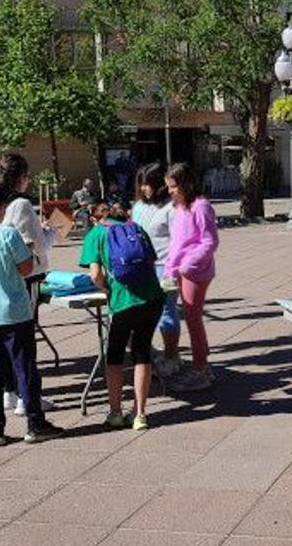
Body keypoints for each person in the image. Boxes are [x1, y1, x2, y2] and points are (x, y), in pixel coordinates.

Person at [0, 181, 63, 446]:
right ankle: (34, 423)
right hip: (14, 312)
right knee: (24, 368)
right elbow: (26, 269)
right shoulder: (7, 234)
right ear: (1, 207)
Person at [81, 202, 165, 430]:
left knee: (115, 355)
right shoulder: (135, 227)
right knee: (141, 351)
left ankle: (115, 412)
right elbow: (151, 260)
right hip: (152, 298)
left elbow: (96, 275)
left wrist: (106, 289)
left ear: (96, 218)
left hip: (122, 301)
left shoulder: (96, 233)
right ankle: (140, 414)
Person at [0, 154, 57, 415]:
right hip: (26, 276)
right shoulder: (20, 204)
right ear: (21, 178)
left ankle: (10, 391)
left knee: (5, 337)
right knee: (23, 338)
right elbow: (36, 245)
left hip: (3, 276)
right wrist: (51, 231)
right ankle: (26, 397)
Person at [163, 163, 219, 392]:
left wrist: (187, 265)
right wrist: (170, 268)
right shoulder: (179, 207)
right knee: (190, 316)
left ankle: (201, 368)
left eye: (174, 186)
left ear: (186, 184)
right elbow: (177, 242)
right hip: (181, 270)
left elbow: (209, 241)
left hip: (196, 271)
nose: (170, 191)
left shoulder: (201, 206)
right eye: (169, 187)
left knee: (192, 317)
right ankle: (202, 362)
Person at [131, 163, 183, 381]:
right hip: (140, 266)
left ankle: (171, 357)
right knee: (138, 314)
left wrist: (174, 268)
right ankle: (150, 352)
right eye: (141, 185)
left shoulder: (172, 208)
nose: (144, 189)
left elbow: (179, 240)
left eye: (148, 185)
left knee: (166, 313)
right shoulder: (138, 207)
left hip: (165, 266)